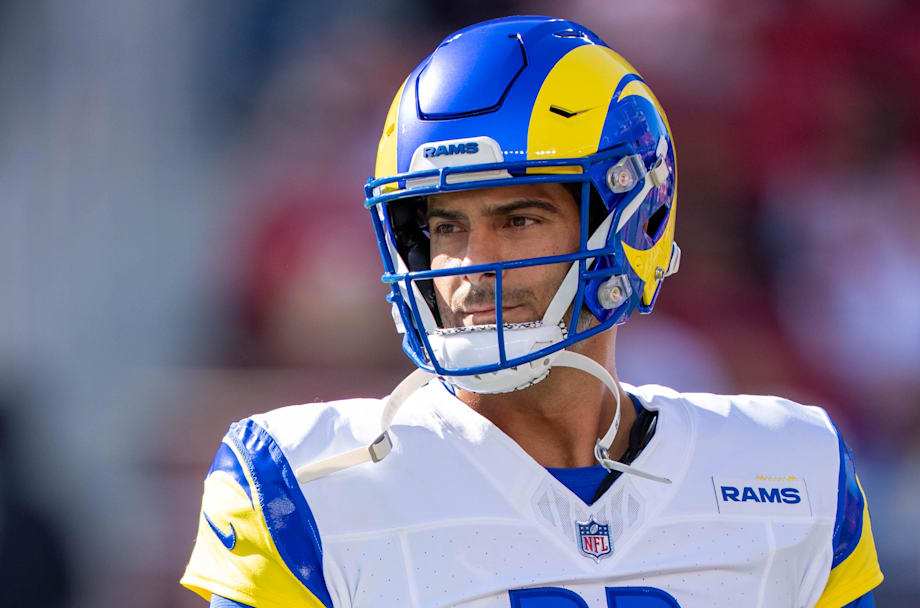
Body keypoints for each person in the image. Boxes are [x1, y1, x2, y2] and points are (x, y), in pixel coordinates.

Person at [181, 16, 883, 608]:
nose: (468, 267)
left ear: (634, 218)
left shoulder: (792, 473)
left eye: (517, 220)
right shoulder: (305, 488)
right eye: (445, 227)